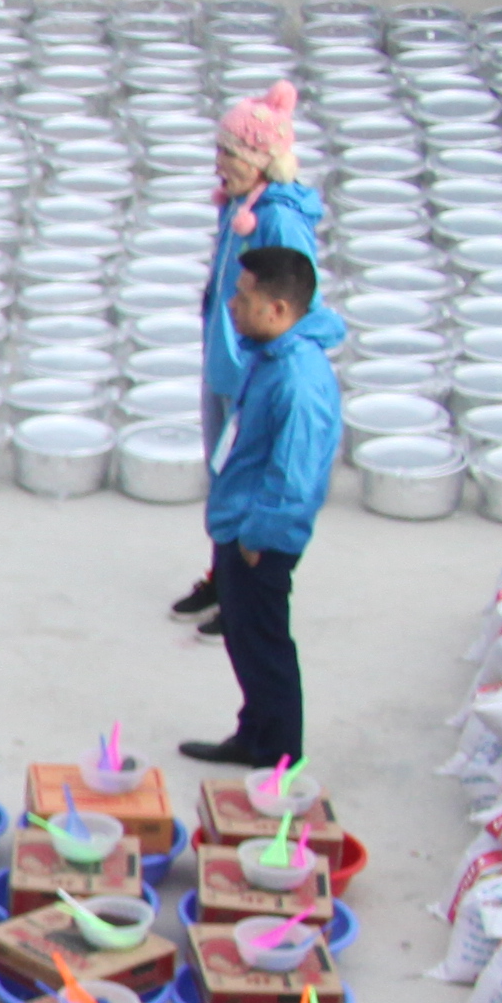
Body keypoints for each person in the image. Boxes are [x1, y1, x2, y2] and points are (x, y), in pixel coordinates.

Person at [188, 244, 342, 770]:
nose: (232, 303)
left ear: (276, 310)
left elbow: (295, 476)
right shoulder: (274, 356)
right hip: (242, 521)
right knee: (249, 644)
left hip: (260, 536)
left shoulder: (298, 380)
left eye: (243, 295)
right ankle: (254, 733)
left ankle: (277, 754)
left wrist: (258, 537)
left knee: (265, 645)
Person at [178, 86, 323, 627]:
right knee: (222, 472)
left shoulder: (280, 220)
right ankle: (222, 576)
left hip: (250, 369)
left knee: (245, 475)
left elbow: (301, 298)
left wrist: (273, 360)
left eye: (230, 154)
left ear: (261, 159)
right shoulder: (240, 204)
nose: (220, 165)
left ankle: (242, 591)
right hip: (225, 358)